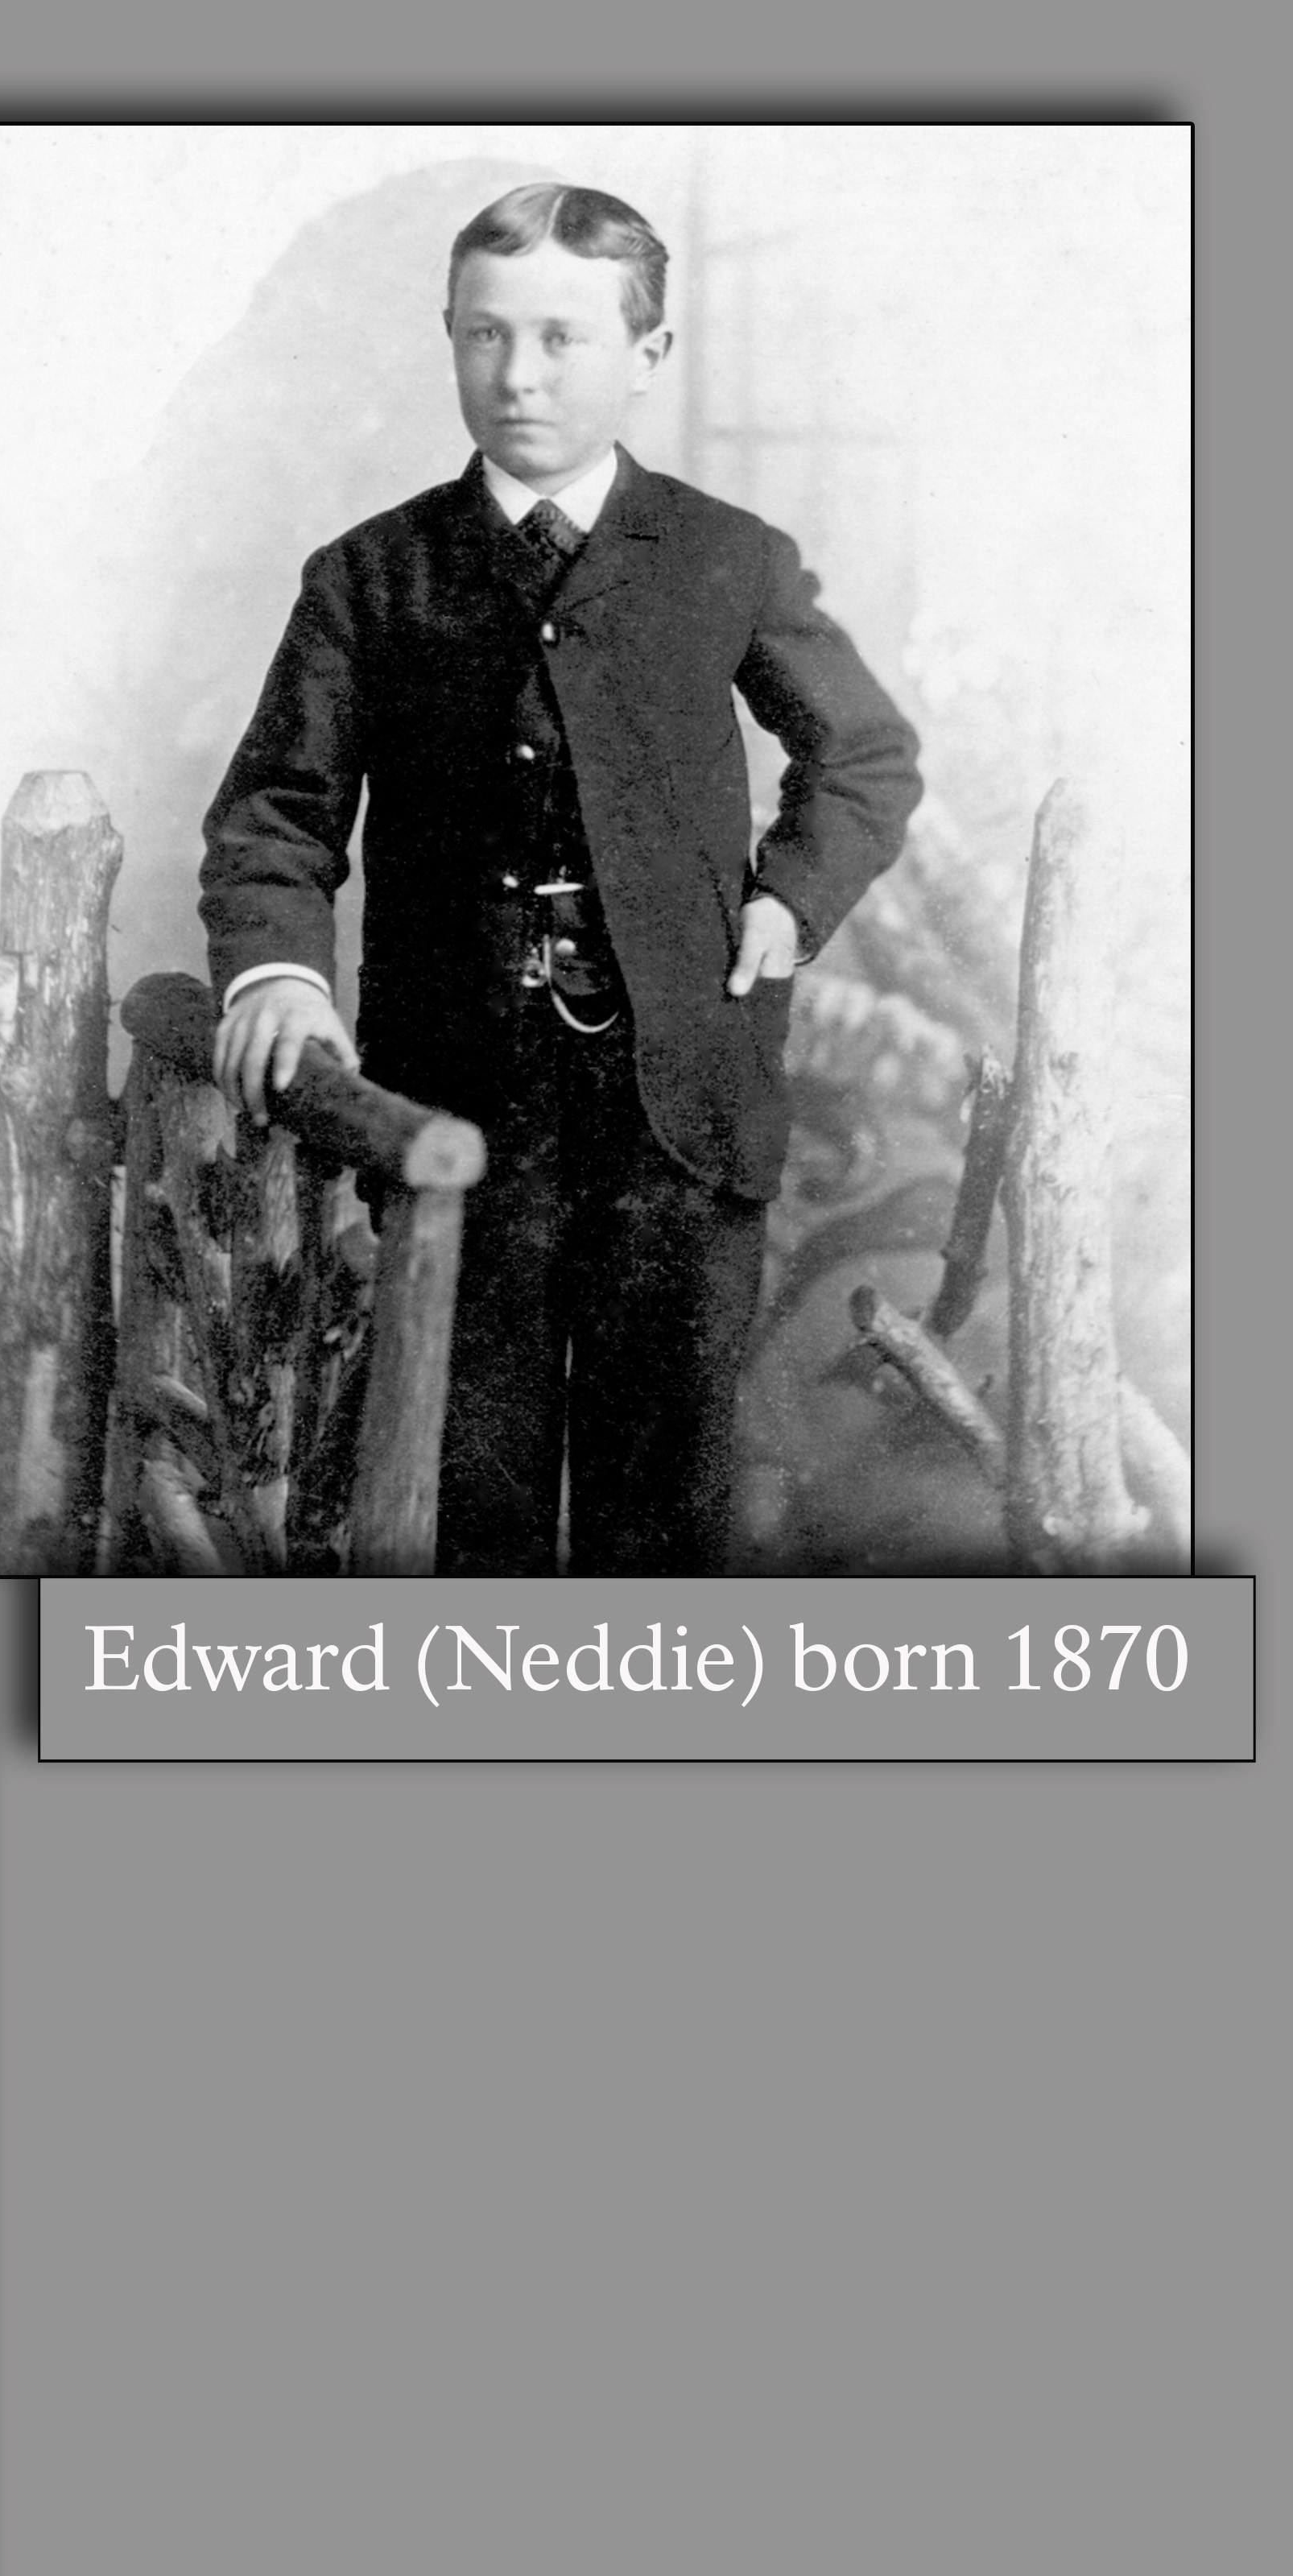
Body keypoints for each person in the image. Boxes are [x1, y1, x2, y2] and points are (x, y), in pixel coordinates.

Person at [199, 181, 915, 1573]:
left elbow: (865, 755)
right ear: (451, 340)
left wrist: (790, 898)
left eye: (562, 339)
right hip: (462, 1107)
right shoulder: (370, 577)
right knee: (470, 1489)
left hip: (682, 1109)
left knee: (667, 1501)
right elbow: (278, 814)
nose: (517, 374)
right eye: (484, 334)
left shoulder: (724, 558)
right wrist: (279, 968)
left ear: (647, 355)